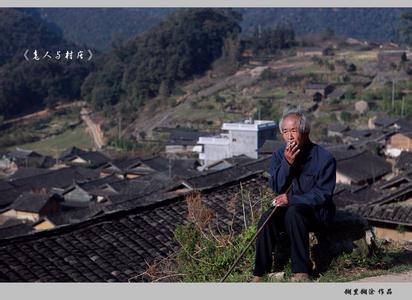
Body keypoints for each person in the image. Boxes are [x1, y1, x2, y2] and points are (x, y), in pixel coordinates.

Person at [252, 108, 336, 282]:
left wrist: (292, 199)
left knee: (294, 212)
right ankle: (260, 273)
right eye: (285, 131)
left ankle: (301, 271)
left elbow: (323, 195)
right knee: (267, 217)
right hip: (290, 208)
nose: (289, 136)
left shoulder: (324, 158)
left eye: (293, 131)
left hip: (316, 213)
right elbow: (276, 186)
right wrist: (287, 163)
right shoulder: (279, 155)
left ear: (305, 132)